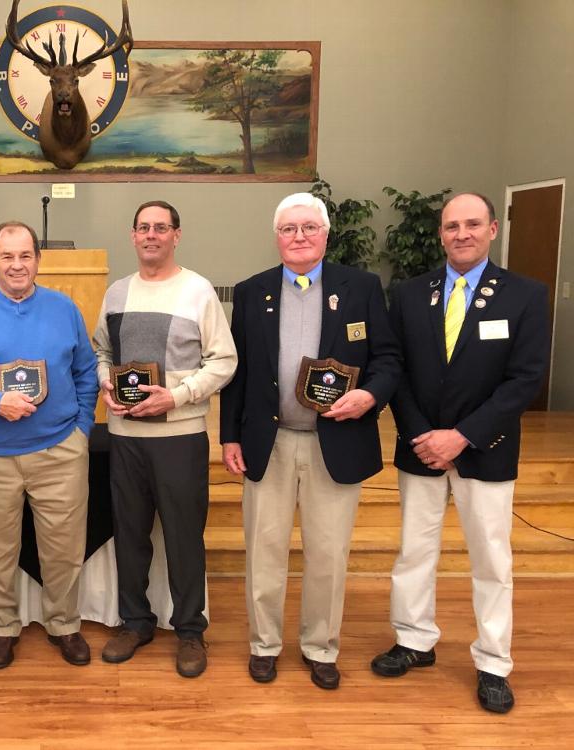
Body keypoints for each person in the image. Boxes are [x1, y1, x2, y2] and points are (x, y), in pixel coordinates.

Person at [371, 193, 549, 714]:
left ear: (493, 229)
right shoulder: (410, 294)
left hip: (486, 450)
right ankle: (414, 640)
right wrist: (424, 435)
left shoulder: (525, 295)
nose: (461, 234)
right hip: (421, 448)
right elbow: (395, 370)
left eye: (472, 224)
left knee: (492, 560)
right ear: (441, 234)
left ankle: (493, 663)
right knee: (414, 551)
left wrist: (462, 436)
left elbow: (525, 380)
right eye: (452, 226)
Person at [220, 192, 400, 690]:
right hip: (269, 442)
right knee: (264, 552)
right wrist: (230, 436)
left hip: (335, 444)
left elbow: (388, 359)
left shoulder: (361, 288)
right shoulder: (253, 291)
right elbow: (239, 372)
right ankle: (264, 644)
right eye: (288, 229)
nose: (298, 237)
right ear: (276, 236)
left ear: (325, 234)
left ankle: (321, 647)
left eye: (308, 228)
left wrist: (369, 396)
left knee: (328, 554)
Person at [0, 220, 98, 669]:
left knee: (64, 548)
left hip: (60, 450)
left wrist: (82, 429)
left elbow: (86, 371)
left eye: (25, 255)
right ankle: (2, 626)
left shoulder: (64, 308)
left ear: (38, 260)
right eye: (7, 256)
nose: (16, 265)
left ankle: (64, 624)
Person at [94, 200, 237, 678]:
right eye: (143, 227)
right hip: (125, 435)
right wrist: (105, 382)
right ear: (132, 235)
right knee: (130, 533)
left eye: (160, 227)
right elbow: (101, 351)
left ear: (176, 234)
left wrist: (176, 397)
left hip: (180, 435)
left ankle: (190, 630)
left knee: (183, 536)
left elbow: (224, 361)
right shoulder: (116, 293)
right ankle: (135, 622)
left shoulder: (198, 291)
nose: (151, 235)